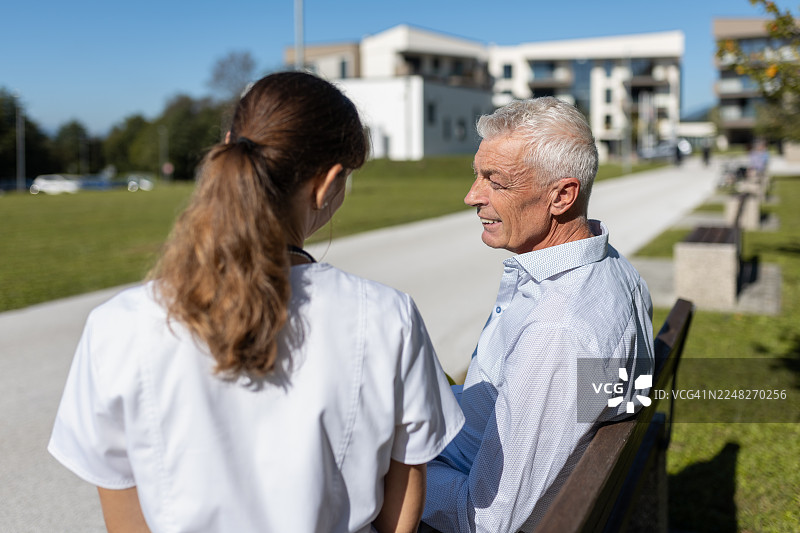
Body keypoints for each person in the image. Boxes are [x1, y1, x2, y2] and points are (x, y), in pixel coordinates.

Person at [48, 71, 464, 533]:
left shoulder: (116, 325)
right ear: (327, 184)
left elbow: (123, 509)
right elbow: (405, 491)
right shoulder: (390, 317)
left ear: (229, 144)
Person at [420, 97, 654, 532]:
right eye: (477, 175)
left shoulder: (558, 329)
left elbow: (488, 518)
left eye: (497, 182)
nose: (472, 196)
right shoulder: (615, 270)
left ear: (562, 195)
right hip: (475, 443)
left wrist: (389, 473)